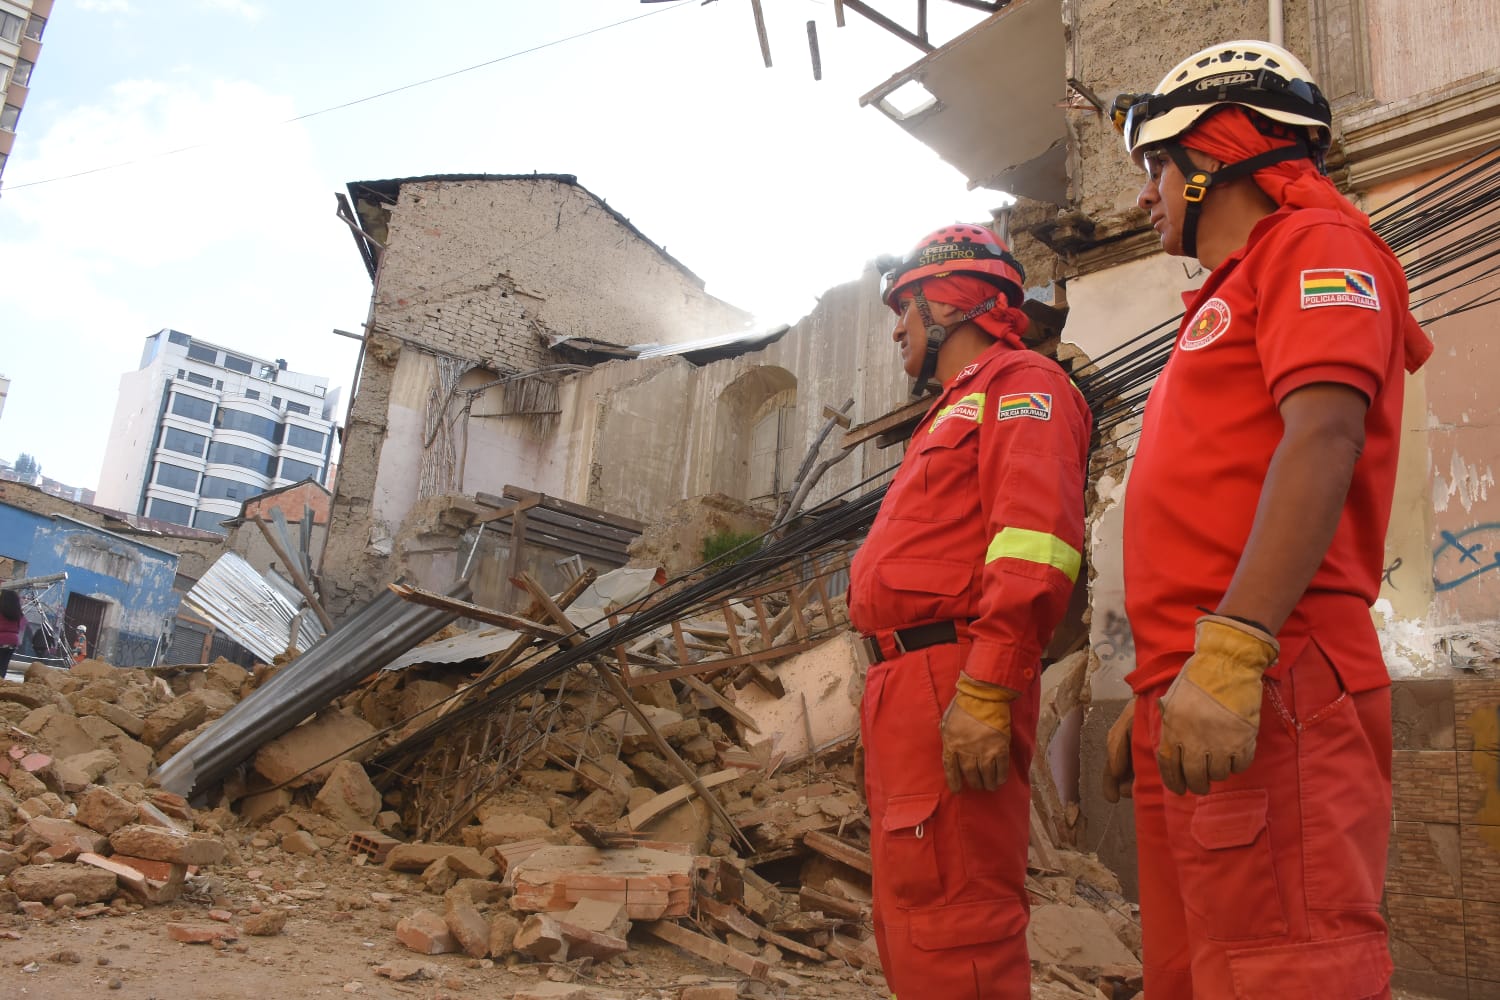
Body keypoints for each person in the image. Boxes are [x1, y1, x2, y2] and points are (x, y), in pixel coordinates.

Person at [1104, 40, 1433, 999]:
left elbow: (1324, 436)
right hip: (1205, 677)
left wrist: (1234, 646)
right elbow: (1221, 490)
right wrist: (1161, 679)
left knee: (1285, 971)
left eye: (1155, 169)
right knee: (1198, 975)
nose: (1142, 198)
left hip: (1271, 672)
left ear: (1213, 154)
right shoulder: (1227, 291)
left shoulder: (1317, 248)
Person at [848, 224, 1091, 999]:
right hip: (907, 682)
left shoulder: (1024, 386)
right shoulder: (956, 406)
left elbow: (1035, 548)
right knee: (915, 909)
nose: (898, 328)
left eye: (907, 309)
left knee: (957, 917)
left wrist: (987, 689)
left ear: (949, 308)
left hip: (955, 675)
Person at [0, 588, 22, 676]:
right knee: (3, 666)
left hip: (1, 639)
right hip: (13, 641)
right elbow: (18, 627)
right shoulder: (17, 612)